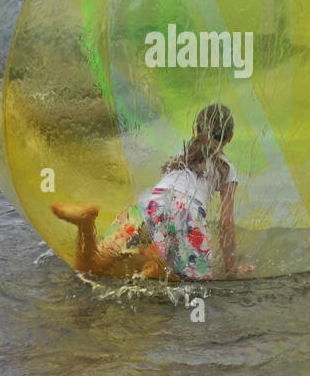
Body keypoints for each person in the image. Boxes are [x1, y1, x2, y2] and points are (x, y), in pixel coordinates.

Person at [52, 103, 253, 281]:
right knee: (195, 284)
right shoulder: (227, 168)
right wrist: (231, 268)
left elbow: (167, 175)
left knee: (91, 267)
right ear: (229, 138)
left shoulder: (182, 155)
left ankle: (86, 225)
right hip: (187, 213)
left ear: (196, 129)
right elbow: (226, 222)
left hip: (151, 202)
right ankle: (153, 267)